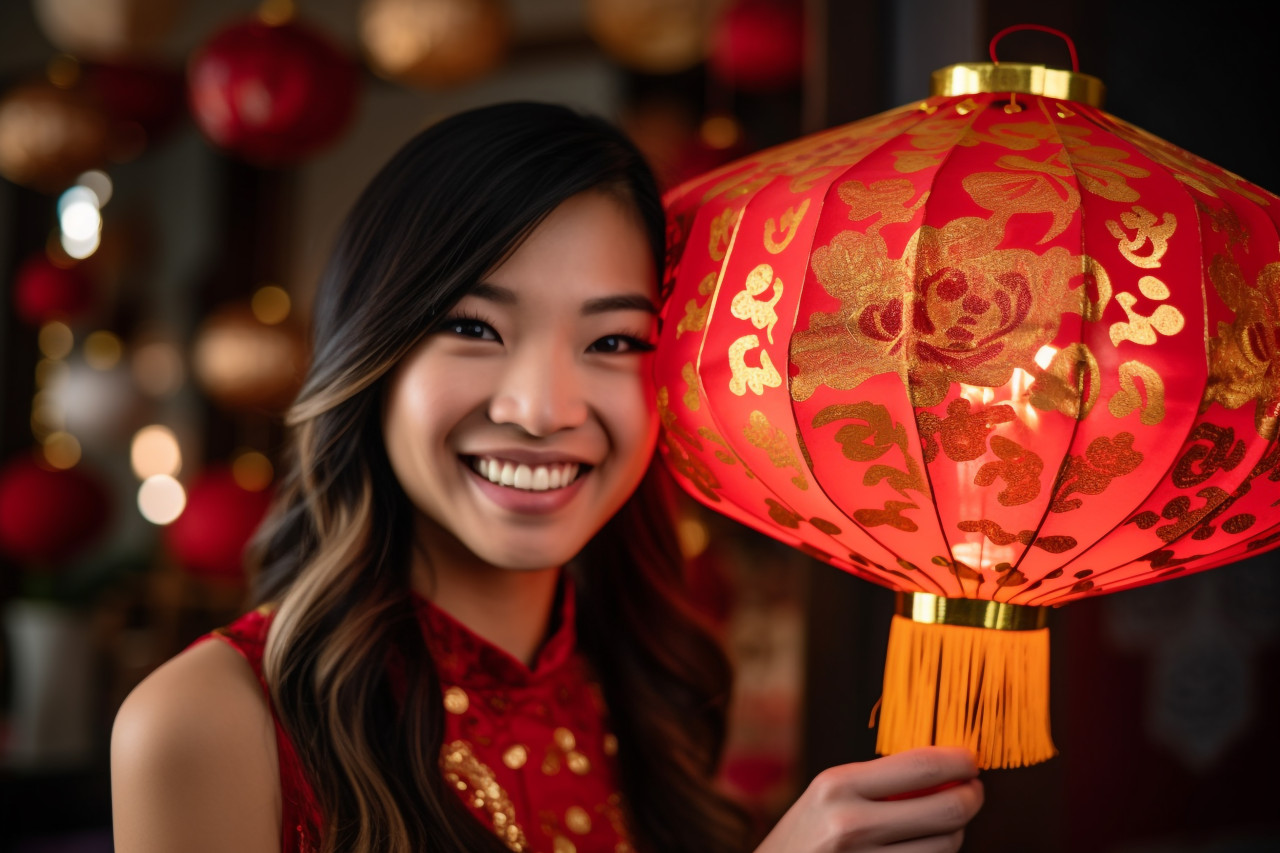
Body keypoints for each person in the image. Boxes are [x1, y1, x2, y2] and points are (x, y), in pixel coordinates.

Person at [111, 102, 983, 853]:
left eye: (613, 341)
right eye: (476, 327)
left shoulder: (655, 687)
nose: (541, 409)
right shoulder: (206, 724)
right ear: (371, 357)